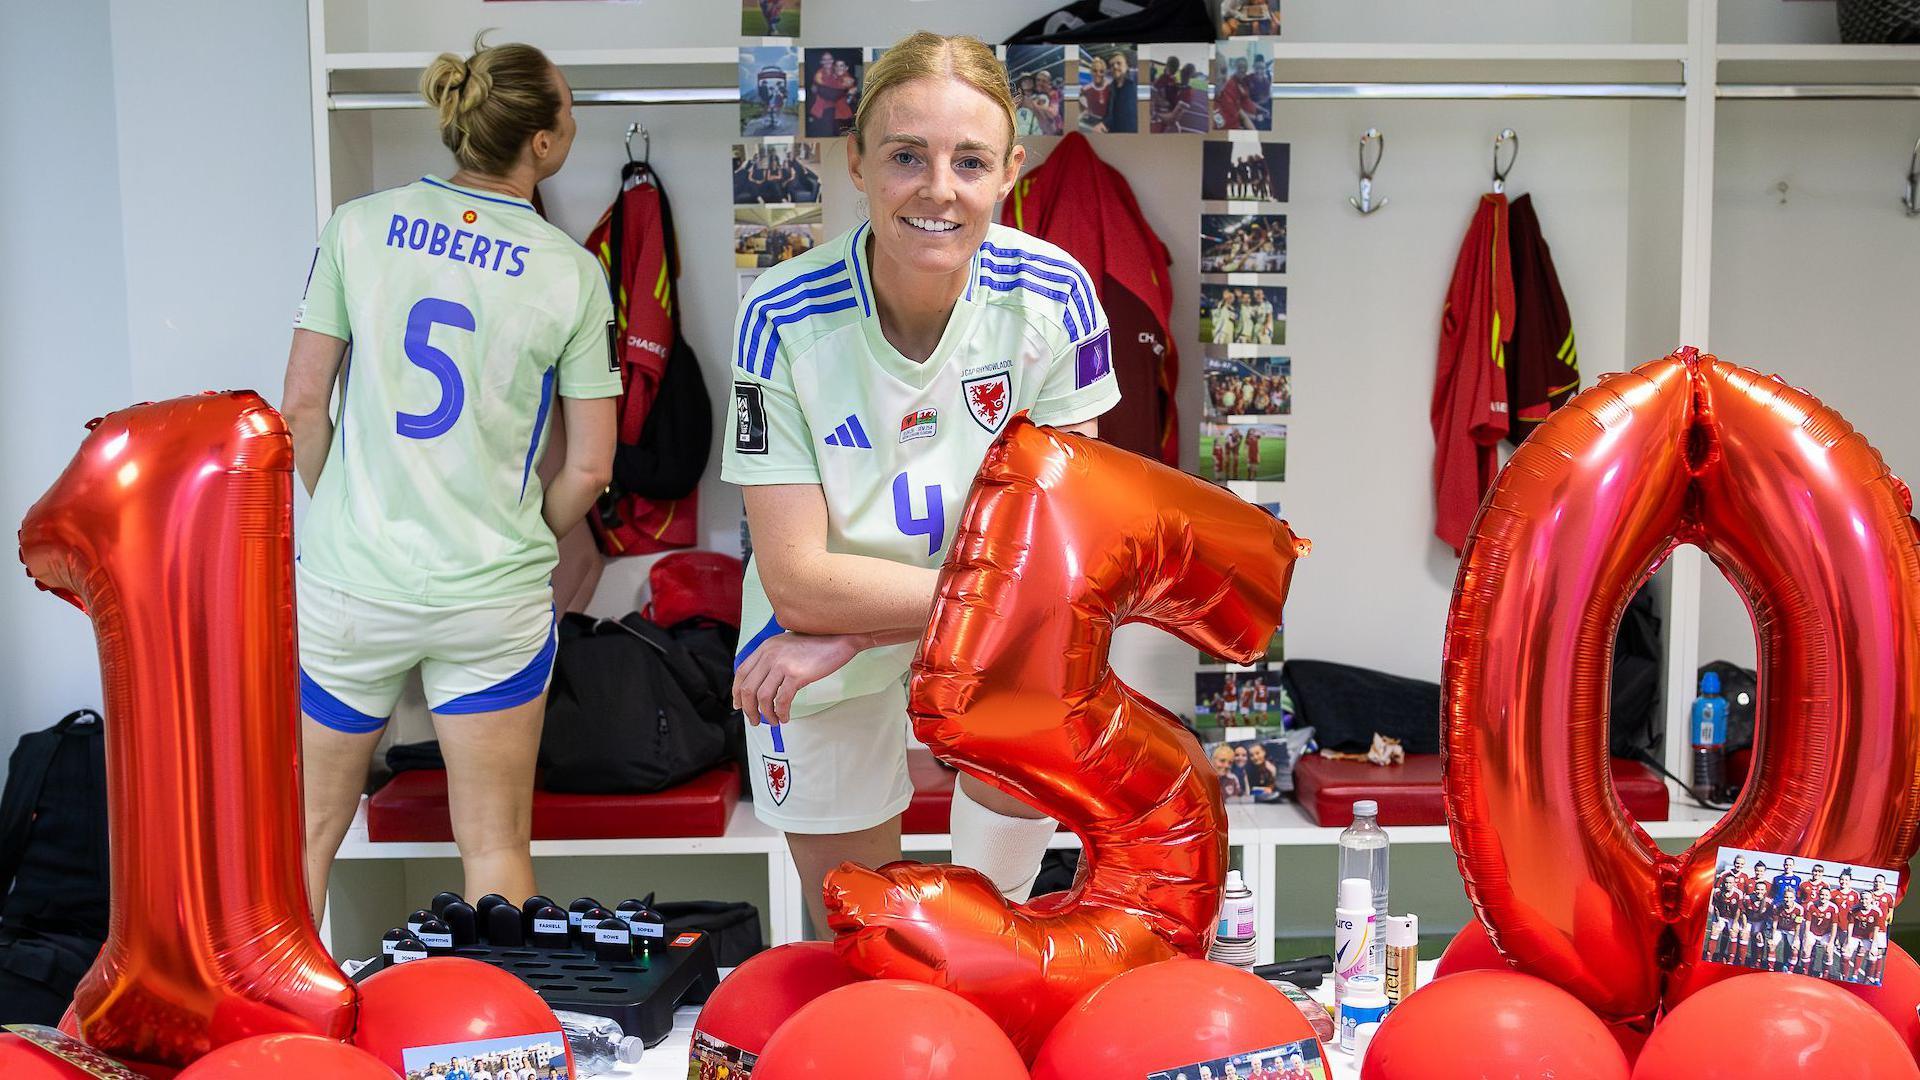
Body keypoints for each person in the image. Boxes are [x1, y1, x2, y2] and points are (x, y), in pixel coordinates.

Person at [724, 32, 1121, 937]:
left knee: (984, 941)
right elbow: (797, 581)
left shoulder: (1052, 294)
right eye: (907, 155)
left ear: (1010, 172)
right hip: (816, 644)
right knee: (871, 947)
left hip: (968, 641)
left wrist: (860, 624)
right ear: (856, 162)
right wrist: (846, 626)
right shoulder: (778, 315)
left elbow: (1068, 563)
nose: (939, 188)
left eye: (969, 161)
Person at [284, 36, 619, 918]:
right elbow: (590, 467)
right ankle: (493, 1015)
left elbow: (302, 410)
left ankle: (279, 1010)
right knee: (497, 846)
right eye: (570, 109)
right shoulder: (574, 272)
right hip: (491, 600)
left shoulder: (357, 226)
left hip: (350, 588)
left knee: (304, 835)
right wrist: (521, 534)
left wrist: (349, 514)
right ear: (541, 142)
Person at [1078, 55, 1111, 134]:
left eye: (1101, 71)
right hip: (1093, 124)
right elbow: (1080, 106)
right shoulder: (1085, 89)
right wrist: (1084, 111)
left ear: (1105, 72)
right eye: (1095, 71)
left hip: (1109, 123)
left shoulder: (1111, 87)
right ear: (1091, 72)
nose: (1098, 74)